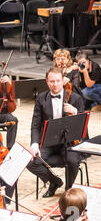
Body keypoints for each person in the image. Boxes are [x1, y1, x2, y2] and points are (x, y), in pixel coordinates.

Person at [27, 68, 85, 198]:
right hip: (49, 142)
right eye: (52, 81)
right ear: (47, 82)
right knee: (31, 162)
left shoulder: (75, 98)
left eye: (58, 81)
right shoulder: (41, 98)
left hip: (69, 143)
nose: (55, 84)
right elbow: (35, 125)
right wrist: (35, 144)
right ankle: (55, 182)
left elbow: (83, 125)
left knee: (72, 161)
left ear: (63, 81)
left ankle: (68, 192)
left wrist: (76, 112)